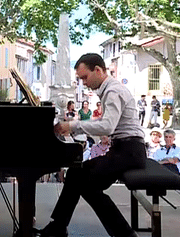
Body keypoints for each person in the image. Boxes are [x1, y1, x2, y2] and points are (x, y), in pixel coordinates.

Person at [41, 53, 144, 237]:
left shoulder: (113, 91)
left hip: (130, 152)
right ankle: (58, 226)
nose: (84, 83)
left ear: (98, 70)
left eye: (85, 77)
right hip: (123, 149)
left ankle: (125, 234)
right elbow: (107, 124)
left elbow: (107, 126)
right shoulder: (109, 90)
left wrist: (73, 126)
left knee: (87, 185)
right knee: (76, 172)